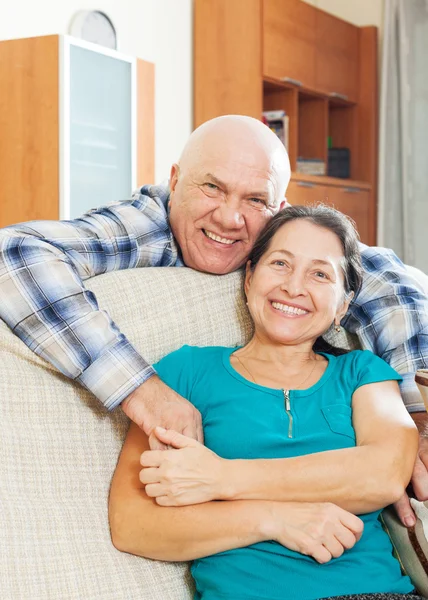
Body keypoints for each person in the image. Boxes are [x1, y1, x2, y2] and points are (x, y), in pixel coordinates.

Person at [0, 115, 427, 527]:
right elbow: (14, 253)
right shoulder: (148, 223)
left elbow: (393, 286)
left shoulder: (286, 237)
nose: (228, 217)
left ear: (278, 207)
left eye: (255, 200)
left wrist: (419, 426)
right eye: (211, 188)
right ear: (175, 181)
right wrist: (141, 390)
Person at [109, 205, 421, 600]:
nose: (293, 287)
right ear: (250, 276)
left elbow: (383, 474)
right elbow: (132, 524)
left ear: (343, 305)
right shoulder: (184, 372)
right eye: (280, 264)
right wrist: (273, 518)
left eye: (320, 274)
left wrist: (221, 478)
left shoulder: (362, 373)